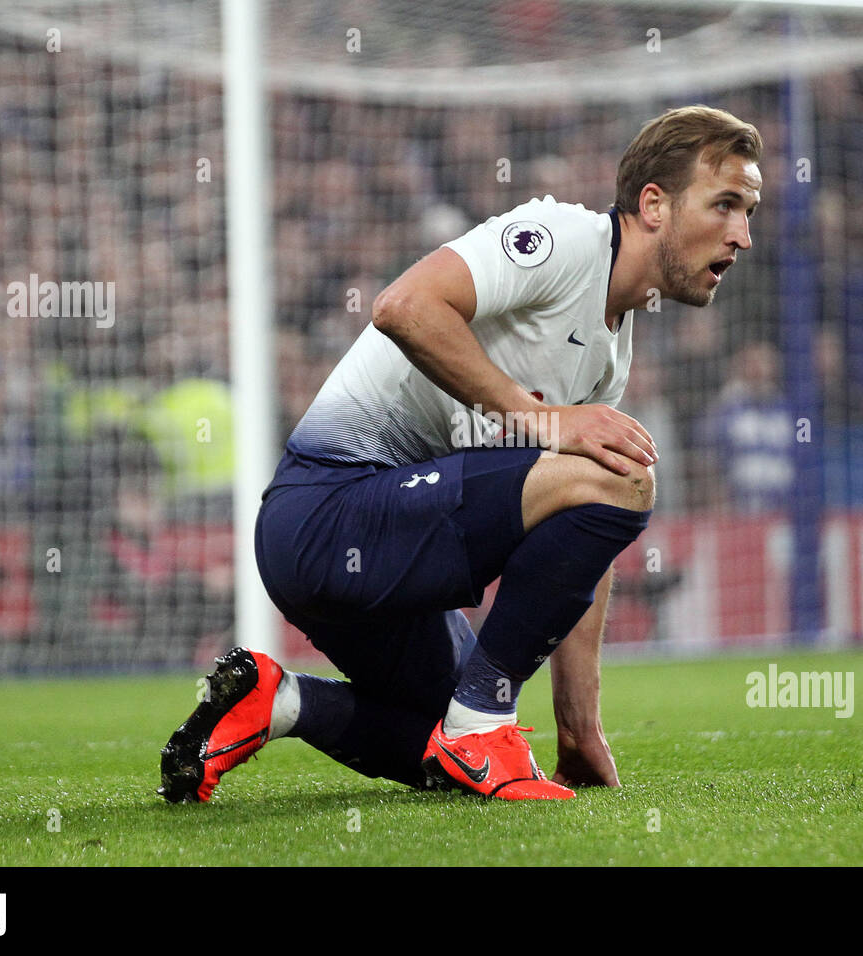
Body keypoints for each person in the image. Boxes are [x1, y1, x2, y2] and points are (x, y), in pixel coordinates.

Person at [158, 105, 763, 802]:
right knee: (621, 476)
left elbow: (582, 542)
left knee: (441, 754)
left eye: (748, 212)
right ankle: (481, 725)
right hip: (325, 516)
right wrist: (542, 421)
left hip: (377, 552)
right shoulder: (563, 238)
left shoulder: (608, 355)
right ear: (653, 204)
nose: (742, 236)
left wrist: (579, 723)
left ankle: (277, 701)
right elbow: (403, 306)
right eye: (725, 205)